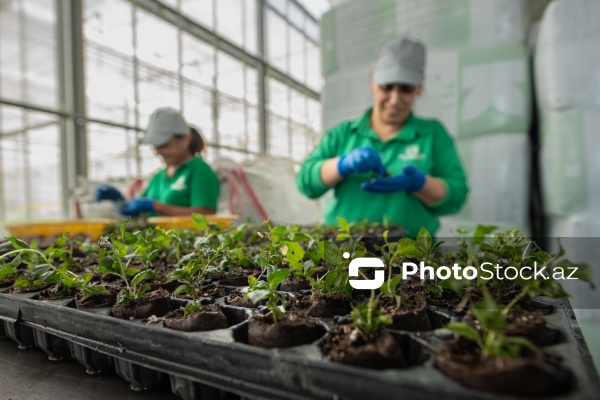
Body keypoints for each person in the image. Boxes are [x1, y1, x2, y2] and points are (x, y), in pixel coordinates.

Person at [296, 36, 468, 238]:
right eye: (387, 87)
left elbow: (456, 196)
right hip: (343, 251)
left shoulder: (432, 134)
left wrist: (420, 183)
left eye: (406, 89)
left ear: (419, 88)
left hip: (411, 254)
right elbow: (305, 183)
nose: (395, 100)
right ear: (372, 82)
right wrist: (341, 165)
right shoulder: (343, 134)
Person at [95, 107, 220, 217]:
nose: (157, 152)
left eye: (164, 145)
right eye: (155, 146)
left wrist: (154, 206)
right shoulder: (158, 177)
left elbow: (206, 214)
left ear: (185, 139)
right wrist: (119, 199)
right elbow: (137, 208)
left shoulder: (199, 170)